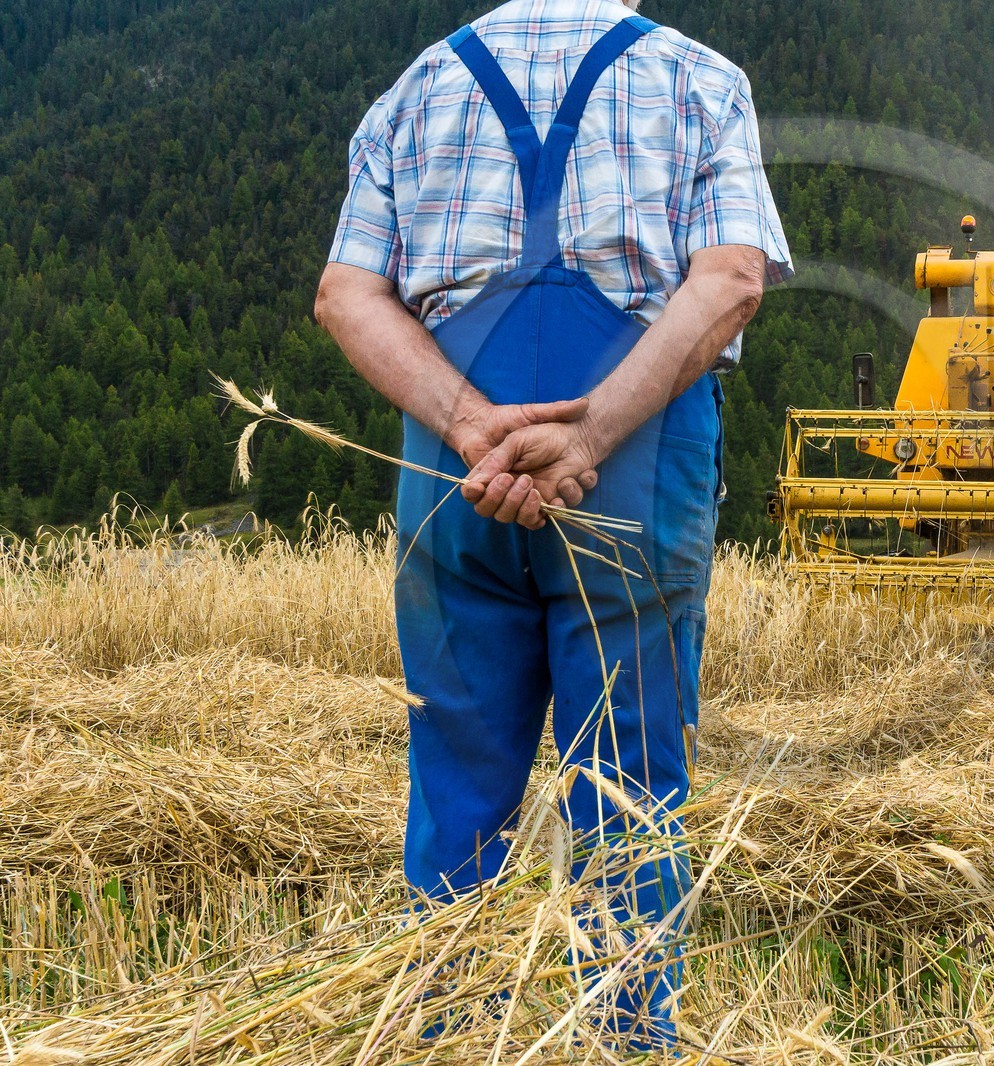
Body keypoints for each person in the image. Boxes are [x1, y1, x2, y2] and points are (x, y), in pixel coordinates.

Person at [314, 0, 791, 1045]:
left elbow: (347, 293)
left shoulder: (416, 88)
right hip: (630, 478)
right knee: (630, 796)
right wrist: (590, 434)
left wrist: (468, 422)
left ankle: (443, 1036)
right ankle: (625, 1039)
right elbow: (731, 277)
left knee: (455, 784)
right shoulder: (699, 78)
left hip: (456, 482)